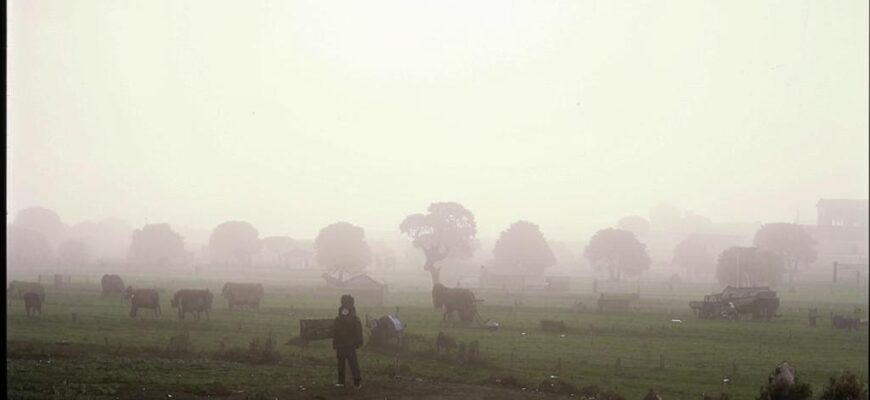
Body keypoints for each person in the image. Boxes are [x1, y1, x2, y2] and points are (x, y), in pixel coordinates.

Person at [333, 294, 363, 389]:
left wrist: (335, 341)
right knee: (353, 363)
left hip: (343, 343)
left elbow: (337, 328)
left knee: (342, 363)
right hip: (349, 343)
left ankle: (342, 382)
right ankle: (356, 382)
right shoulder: (353, 314)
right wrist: (359, 341)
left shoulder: (342, 313)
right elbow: (357, 328)